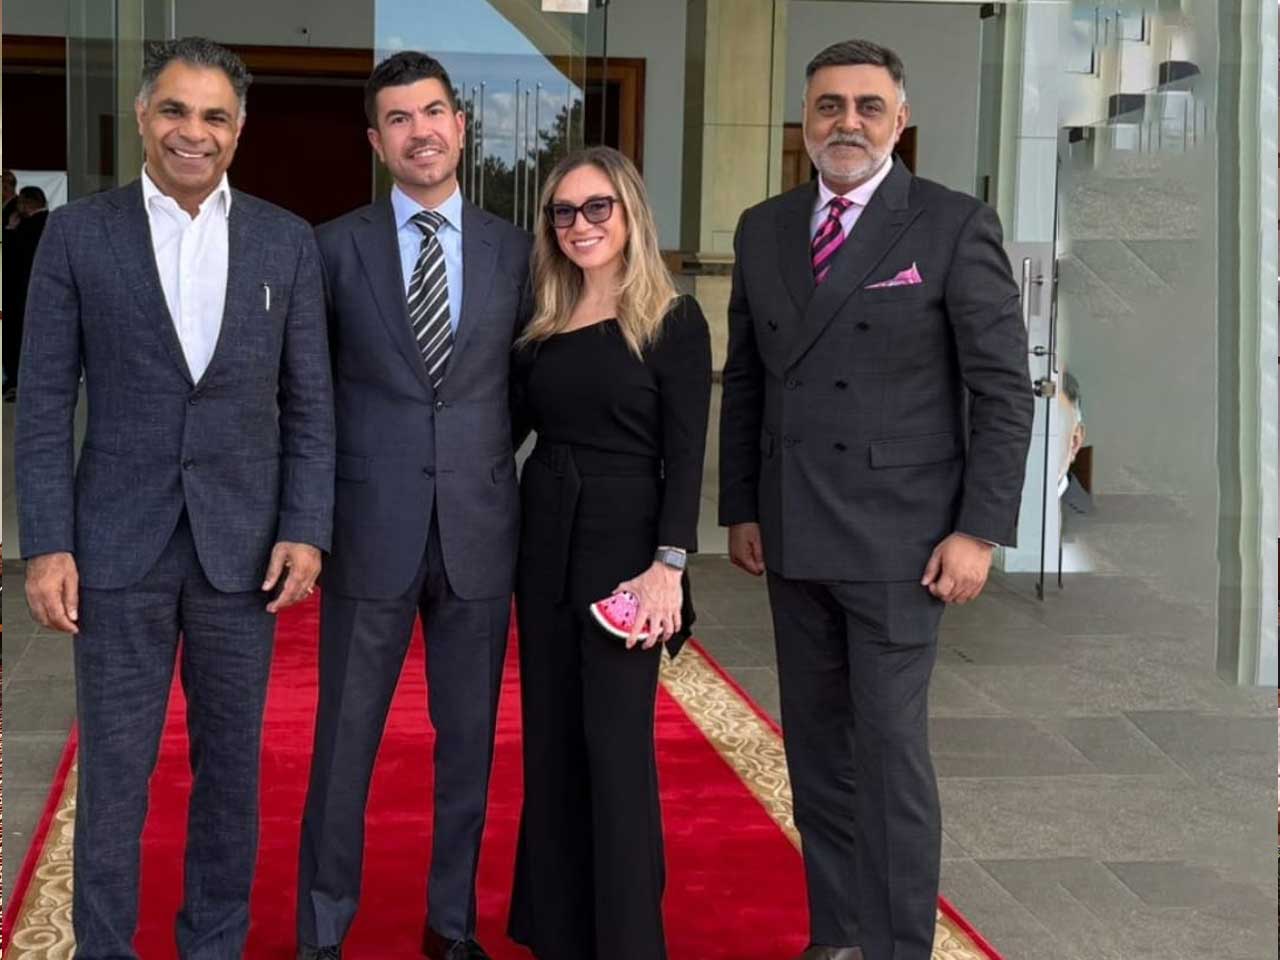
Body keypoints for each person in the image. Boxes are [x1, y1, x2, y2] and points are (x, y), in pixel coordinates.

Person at [15, 36, 334, 959]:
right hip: (116, 548)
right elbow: (44, 401)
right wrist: (48, 543)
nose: (193, 132)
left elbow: (310, 402)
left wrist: (306, 528)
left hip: (244, 552)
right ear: (143, 115)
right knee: (115, 777)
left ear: (239, 129)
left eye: (214, 116)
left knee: (230, 774)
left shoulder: (286, 240)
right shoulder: (78, 234)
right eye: (175, 110)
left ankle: (213, 945)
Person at [718, 39, 1034, 960]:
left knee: (889, 759)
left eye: (866, 106)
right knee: (816, 756)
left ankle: (897, 947)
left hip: (904, 545)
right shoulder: (763, 227)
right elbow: (748, 380)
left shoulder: (951, 224)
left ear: (901, 119)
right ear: (804, 121)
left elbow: (1002, 391)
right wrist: (742, 506)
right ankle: (837, 937)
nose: (846, 122)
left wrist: (978, 531)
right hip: (792, 533)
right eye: (828, 106)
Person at [295, 51, 532, 960]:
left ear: (461, 127)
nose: (419, 131)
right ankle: (322, 932)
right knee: (343, 745)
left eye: (433, 113)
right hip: (368, 531)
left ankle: (451, 926)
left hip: (479, 530)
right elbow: (307, 394)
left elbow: (527, 387)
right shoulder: (330, 248)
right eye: (398, 118)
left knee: (468, 748)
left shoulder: (518, 251)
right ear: (375, 140)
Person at [507, 146, 712, 960]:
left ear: (630, 213)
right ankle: (558, 932)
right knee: (551, 739)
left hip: (629, 553)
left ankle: (626, 941)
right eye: (564, 212)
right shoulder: (542, 319)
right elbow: (505, 431)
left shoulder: (671, 320)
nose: (580, 224)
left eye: (598, 207)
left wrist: (669, 567)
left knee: (616, 749)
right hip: (543, 542)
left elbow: (686, 455)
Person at [4, 186, 50, 399]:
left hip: (20, 293)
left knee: (17, 338)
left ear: (28, 203)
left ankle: (17, 382)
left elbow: (12, 257)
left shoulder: (27, 227)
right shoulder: (51, 223)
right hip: (39, 293)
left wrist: (10, 230)